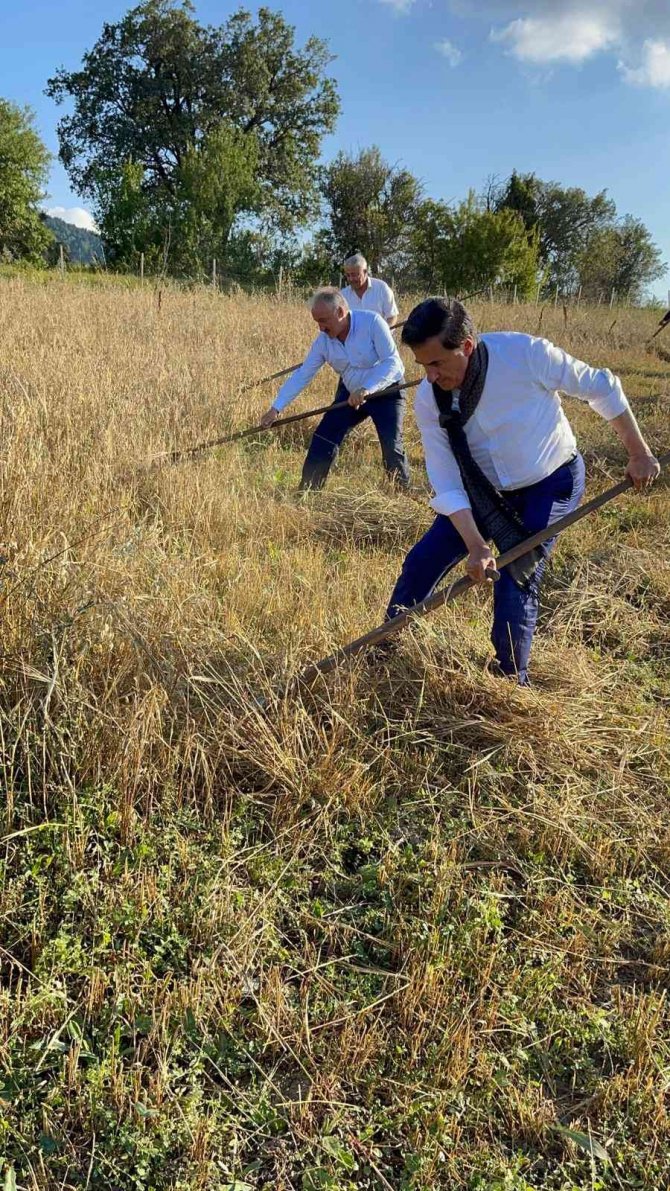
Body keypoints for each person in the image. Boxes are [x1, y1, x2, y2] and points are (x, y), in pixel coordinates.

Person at [386, 296, 660, 685]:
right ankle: (386, 643)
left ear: (466, 347)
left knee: (517, 572)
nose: (429, 376)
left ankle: (511, 678)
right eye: (422, 365)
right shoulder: (430, 399)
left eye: (436, 363)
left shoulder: (525, 355)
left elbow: (601, 386)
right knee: (422, 560)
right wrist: (477, 545)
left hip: (551, 481)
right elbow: (446, 477)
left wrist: (638, 452)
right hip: (483, 490)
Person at [261, 288, 410, 491]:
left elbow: (394, 363)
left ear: (340, 312)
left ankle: (401, 495)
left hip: (387, 392)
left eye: (324, 321)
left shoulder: (373, 322)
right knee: (324, 436)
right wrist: (276, 408)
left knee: (391, 446)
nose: (321, 328)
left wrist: (367, 389)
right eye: (317, 322)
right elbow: (303, 375)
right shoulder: (323, 342)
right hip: (351, 395)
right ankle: (308, 492)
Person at [341, 253, 399, 327]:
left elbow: (392, 317)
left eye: (354, 275)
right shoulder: (343, 296)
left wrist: (383, 333)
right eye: (348, 275)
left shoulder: (382, 289)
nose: (351, 279)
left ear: (365, 272)